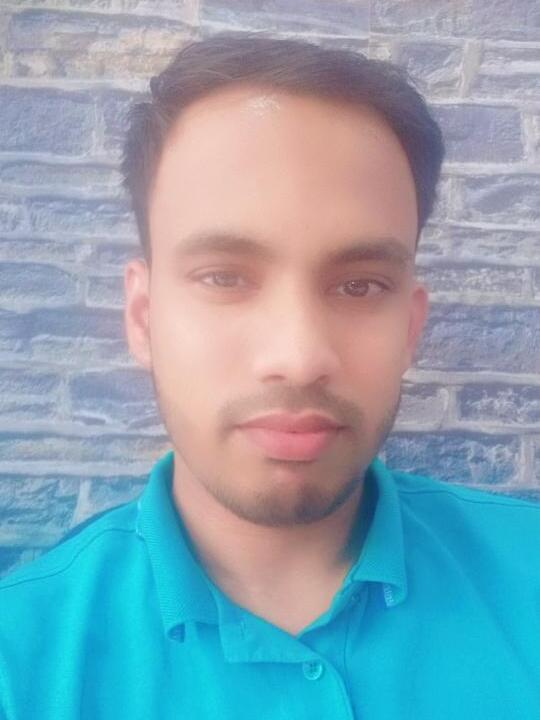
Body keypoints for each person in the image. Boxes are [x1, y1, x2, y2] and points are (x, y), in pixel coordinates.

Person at [1, 31, 539, 720]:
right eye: (224, 277)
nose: (299, 355)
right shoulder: (20, 661)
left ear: (409, 328)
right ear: (143, 317)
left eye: (360, 286)